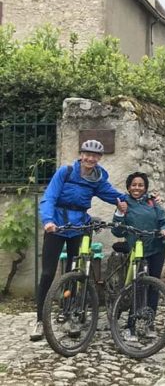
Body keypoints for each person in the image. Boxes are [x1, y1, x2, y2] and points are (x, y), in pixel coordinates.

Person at [30, 139, 127, 342]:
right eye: (87, 154)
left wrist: (139, 198)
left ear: (99, 158)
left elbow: (113, 195)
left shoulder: (97, 179)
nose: (91, 158)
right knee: (47, 273)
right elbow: (49, 197)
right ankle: (40, 319)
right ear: (81, 155)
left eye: (95, 155)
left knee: (75, 273)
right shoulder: (65, 172)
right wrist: (48, 221)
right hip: (57, 226)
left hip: (80, 227)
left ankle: (70, 314)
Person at [111, 172, 165, 341]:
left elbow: (164, 221)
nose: (137, 188)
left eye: (141, 185)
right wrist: (120, 213)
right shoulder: (124, 203)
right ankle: (130, 326)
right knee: (137, 287)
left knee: (153, 286)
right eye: (134, 185)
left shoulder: (152, 202)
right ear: (128, 187)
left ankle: (148, 323)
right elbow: (117, 230)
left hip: (157, 247)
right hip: (137, 249)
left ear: (145, 188)